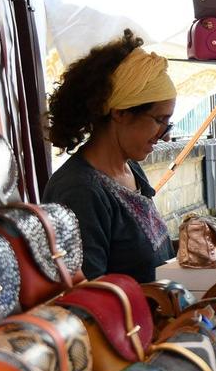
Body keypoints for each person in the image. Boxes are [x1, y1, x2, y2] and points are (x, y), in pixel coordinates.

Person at [46, 30, 177, 283]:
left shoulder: (131, 169)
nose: (166, 136)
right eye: (160, 120)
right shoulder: (79, 191)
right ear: (121, 113)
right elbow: (90, 296)